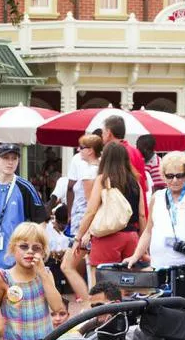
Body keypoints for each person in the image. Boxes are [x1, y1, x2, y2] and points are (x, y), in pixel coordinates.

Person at [123, 154, 185, 304]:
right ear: (163, 176)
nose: (174, 180)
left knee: (180, 307)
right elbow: (148, 231)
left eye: (180, 175)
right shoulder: (158, 197)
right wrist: (136, 256)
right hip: (160, 262)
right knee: (160, 307)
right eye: (170, 176)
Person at [73, 142, 145, 283]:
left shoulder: (103, 180)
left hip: (107, 237)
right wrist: (143, 242)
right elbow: (142, 214)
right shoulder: (135, 181)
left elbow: (90, 212)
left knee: (102, 283)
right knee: (128, 283)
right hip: (132, 236)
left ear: (105, 159)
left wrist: (78, 237)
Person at [0, 143, 48, 284]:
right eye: (5, 158)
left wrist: (36, 251)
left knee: (14, 300)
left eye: (14, 158)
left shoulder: (25, 187)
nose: (10, 162)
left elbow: (40, 222)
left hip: (16, 261)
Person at [0, 222, 63, 340]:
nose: (30, 251)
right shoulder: (2, 278)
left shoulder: (46, 274)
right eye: (24, 247)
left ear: (43, 252)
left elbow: (57, 307)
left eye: (36, 248)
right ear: (13, 248)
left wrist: (43, 274)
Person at [61, 134, 102, 302]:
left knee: (67, 265)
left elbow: (90, 204)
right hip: (89, 225)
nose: (79, 151)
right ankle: (93, 303)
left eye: (82, 148)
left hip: (84, 225)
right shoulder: (100, 168)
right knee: (92, 266)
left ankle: (88, 302)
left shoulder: (88, 171)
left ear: (91, 151)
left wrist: (85, 232)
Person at [102, 115, 148, 213]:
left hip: (124, 213)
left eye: (103, 132)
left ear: (109, 133)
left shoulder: (119, 153)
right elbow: (144, 184)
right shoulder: (135, 151)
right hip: (138, 210)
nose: (102, 135)